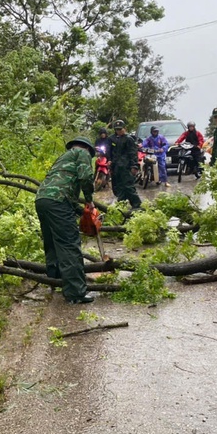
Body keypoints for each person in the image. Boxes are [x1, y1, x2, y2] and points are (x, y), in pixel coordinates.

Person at [35, 137, 96, 304]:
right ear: (87, 149)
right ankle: (75, 293)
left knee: (52, 242)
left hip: (42, 199)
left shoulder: (63, 158)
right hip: (58, 201)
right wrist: (90, 200)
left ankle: (55, 278)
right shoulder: (82, 153)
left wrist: (82, 212)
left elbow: (63, 190)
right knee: (69, 244)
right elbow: (86, 177)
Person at [109, 121, 142, 209]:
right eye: (117, 130)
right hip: (117, 167)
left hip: (126, 167)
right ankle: (121, 206)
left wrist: (134, 166)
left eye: (120, 129)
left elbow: (133, 153)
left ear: (124, 129)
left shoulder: (129, 139)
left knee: (129, 187)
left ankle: (137, 205)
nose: (119, 131)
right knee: (118, 187)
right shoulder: (113, 139)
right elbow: (112, 153)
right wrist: (110, 163)